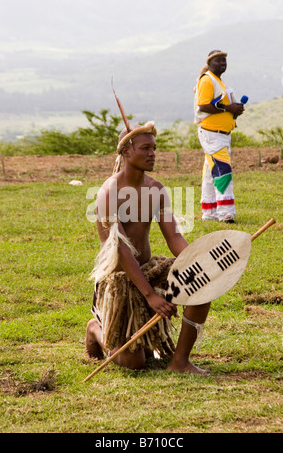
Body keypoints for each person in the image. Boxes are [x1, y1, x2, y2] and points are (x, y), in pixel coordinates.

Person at [85, 119, 211, 374]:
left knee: (203, 285)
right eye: (145, 148)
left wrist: (195, 261)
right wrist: (150, 295)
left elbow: (174, 237)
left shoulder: (156, 189)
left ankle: (180, 361)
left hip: (150, 270)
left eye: (154, 148)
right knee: (135, 363)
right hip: (120, 279)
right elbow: (119, 249)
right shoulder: (108, 192)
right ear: (126, 151)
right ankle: (95, 329)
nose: (152, 154)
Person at [194, 50, 245, 223]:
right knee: (223, 170)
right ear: (209, 63)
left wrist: (235, 110)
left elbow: (221, 105)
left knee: (210, 173)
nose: (222, 63)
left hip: (220, 134)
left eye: (224, 60)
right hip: (212, 133)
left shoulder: (219, 81)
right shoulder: (207, 79)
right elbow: (203, 106)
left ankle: (209, 212)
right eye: (218, 60)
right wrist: (228, 109)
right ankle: (226, 212)